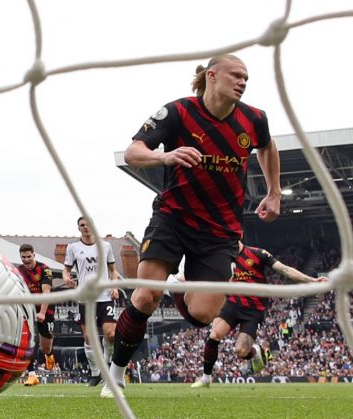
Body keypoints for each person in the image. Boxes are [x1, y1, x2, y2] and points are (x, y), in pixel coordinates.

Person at [102, 54, 281, 398]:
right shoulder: (178, 112)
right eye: (236, 75)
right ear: (212, 76)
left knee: (202, 316)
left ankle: (178, 286)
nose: (243, 82)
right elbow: (132, 152)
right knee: (143, 296)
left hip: (220, 232)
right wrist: (164, 156)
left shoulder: (254, 118)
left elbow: (267, 146)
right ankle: (118, 374)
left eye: (246, 77)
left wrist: (274, 192)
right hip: (173, 218)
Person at [191, 242, 328, 388]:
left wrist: (312, 280)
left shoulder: (258, 254)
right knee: (214, 335)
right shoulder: (223, 258)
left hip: (254, 310)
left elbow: (284, 269)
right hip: (232, 305)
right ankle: (206, 378)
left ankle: (256, 352)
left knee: (241, 351)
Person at [63, 216, 120, 387]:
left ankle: (108, 366)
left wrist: (115, 287)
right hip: (85, 297)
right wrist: (67, 279)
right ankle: (95, 373)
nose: (86, 227)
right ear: (78, 228)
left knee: (111, 335)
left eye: (88, 225)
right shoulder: (73, 247)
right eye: (82, 225)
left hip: (105, 297)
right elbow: (66, 270)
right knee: (89, 337)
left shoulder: (105, 246)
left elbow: (113, 270)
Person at [16, 243, 56, 386]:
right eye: (23, 257)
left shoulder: (44, 269)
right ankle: (32, 375)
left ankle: (50, 355)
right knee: (28, 342)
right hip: (28, 310)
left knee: (45, 347)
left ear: (34, 255)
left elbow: (46, 292)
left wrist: (42, 313)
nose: (26, 260)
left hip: (46, 310)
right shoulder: (18, 271)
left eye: (28, 256)